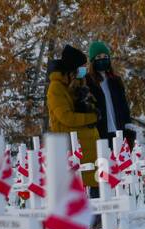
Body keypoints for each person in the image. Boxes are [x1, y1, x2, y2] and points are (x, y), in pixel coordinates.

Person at [46, 44, 99, 192]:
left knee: (96, 190)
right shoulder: (56, 88)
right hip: (72, 145)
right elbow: (66, 117)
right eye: (81, 67)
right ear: (72, 68)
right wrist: (91, 117)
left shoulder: (77, 85)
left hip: (88, 145)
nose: (84, 70)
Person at [86, 41, 136, 149]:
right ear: (93, 60)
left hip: (119, 128)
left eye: (105, 56)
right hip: (100, 130)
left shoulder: (115, 80)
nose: (103, 59)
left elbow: (124, 105)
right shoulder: (87, 81)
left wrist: (128, 124)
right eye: (99, 57)